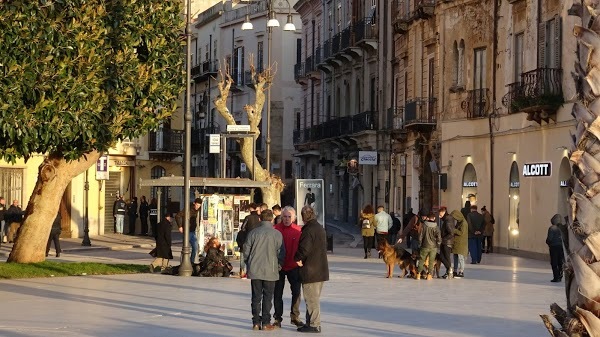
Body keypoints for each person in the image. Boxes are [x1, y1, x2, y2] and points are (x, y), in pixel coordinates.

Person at [244, 209, 285, 331]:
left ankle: (256, 321)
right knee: (268, 296)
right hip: (270, 270)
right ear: (272, 219)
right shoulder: (277, 234)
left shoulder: (253, 233)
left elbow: (246, 250)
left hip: (255, 269)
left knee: (256, 297)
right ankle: (266, 322)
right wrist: (278, 266)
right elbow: (281, 253)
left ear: (260, 219)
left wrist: (249, 263)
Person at [294, 205, 329, 333]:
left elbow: (305, 248)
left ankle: (314, 324)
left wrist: (297, 258)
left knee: (311, 299)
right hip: (320, 269)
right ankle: (310, 322)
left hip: (311, 270)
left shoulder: (308, 230)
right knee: (313, 297)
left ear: (303, 217)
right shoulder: (319, 228)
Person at [273, 206, 304, 328]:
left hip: (293, 266)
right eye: (284, 217)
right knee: (277, 293)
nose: (286, 219)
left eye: (289, 217)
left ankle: (295, 317)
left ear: (294, 218)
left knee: (296, 293)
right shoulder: (275, 229)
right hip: (279, 266)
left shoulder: (298, 231)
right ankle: (277, 318)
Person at [236, 203, 261, 278]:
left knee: (244, 255)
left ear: (250, 209)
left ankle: (242, 271)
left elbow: (243, 228)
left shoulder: (248, 217)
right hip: (257, 239)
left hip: (248, 238)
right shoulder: (259, 218)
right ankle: (252, 271)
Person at [416, 211, 441, 280]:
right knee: (431, 261)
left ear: (427, 218)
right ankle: (429, 275)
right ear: (434, 218)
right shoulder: (436, 227)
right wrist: (438, 245)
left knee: (421, 260)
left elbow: (420, 236)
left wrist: (420, 243)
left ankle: (418, 274)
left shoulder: (424, 225)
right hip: (433, 247)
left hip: (424, 246)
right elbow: (439, 238)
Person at [178, 198, 201, 264]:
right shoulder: (187, 209)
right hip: (187, 232)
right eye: (197, 205)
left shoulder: (198, 210)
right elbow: (177, 216)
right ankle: (183, 262)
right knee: (185, 248)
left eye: (199, 206)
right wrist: (180, 226)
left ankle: (191, 262)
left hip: (193, 232)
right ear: (194, 203)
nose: (197, 207)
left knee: (195, 247)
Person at [546, 214, 564, 282]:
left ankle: (556, 277)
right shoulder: (563, 228)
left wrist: (548, 243)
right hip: (561, 247)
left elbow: (549, 239)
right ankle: (560, 276)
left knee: (554, 262)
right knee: (560, 262)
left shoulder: (552, 228)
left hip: (553, 247)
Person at [451, 209, 468, 278]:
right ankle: (455, 270)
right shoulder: (459, 222)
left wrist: (454, 230)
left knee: (461, 258)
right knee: (455, 257)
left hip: (461, 243)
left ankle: (461, 271)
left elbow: (461, 233)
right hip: (456, 242)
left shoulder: (464, 223)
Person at [438, 207, 454, 279]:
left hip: (447, 242)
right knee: (442, 257)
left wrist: (443, 239)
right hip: (445, 242)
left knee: (445, 257)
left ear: (443, 212)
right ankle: (448, 271)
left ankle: (449, 270)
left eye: (440, 214)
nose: (439, 216)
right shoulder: (446, 219)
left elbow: (451, 233)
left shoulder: (448, 220)